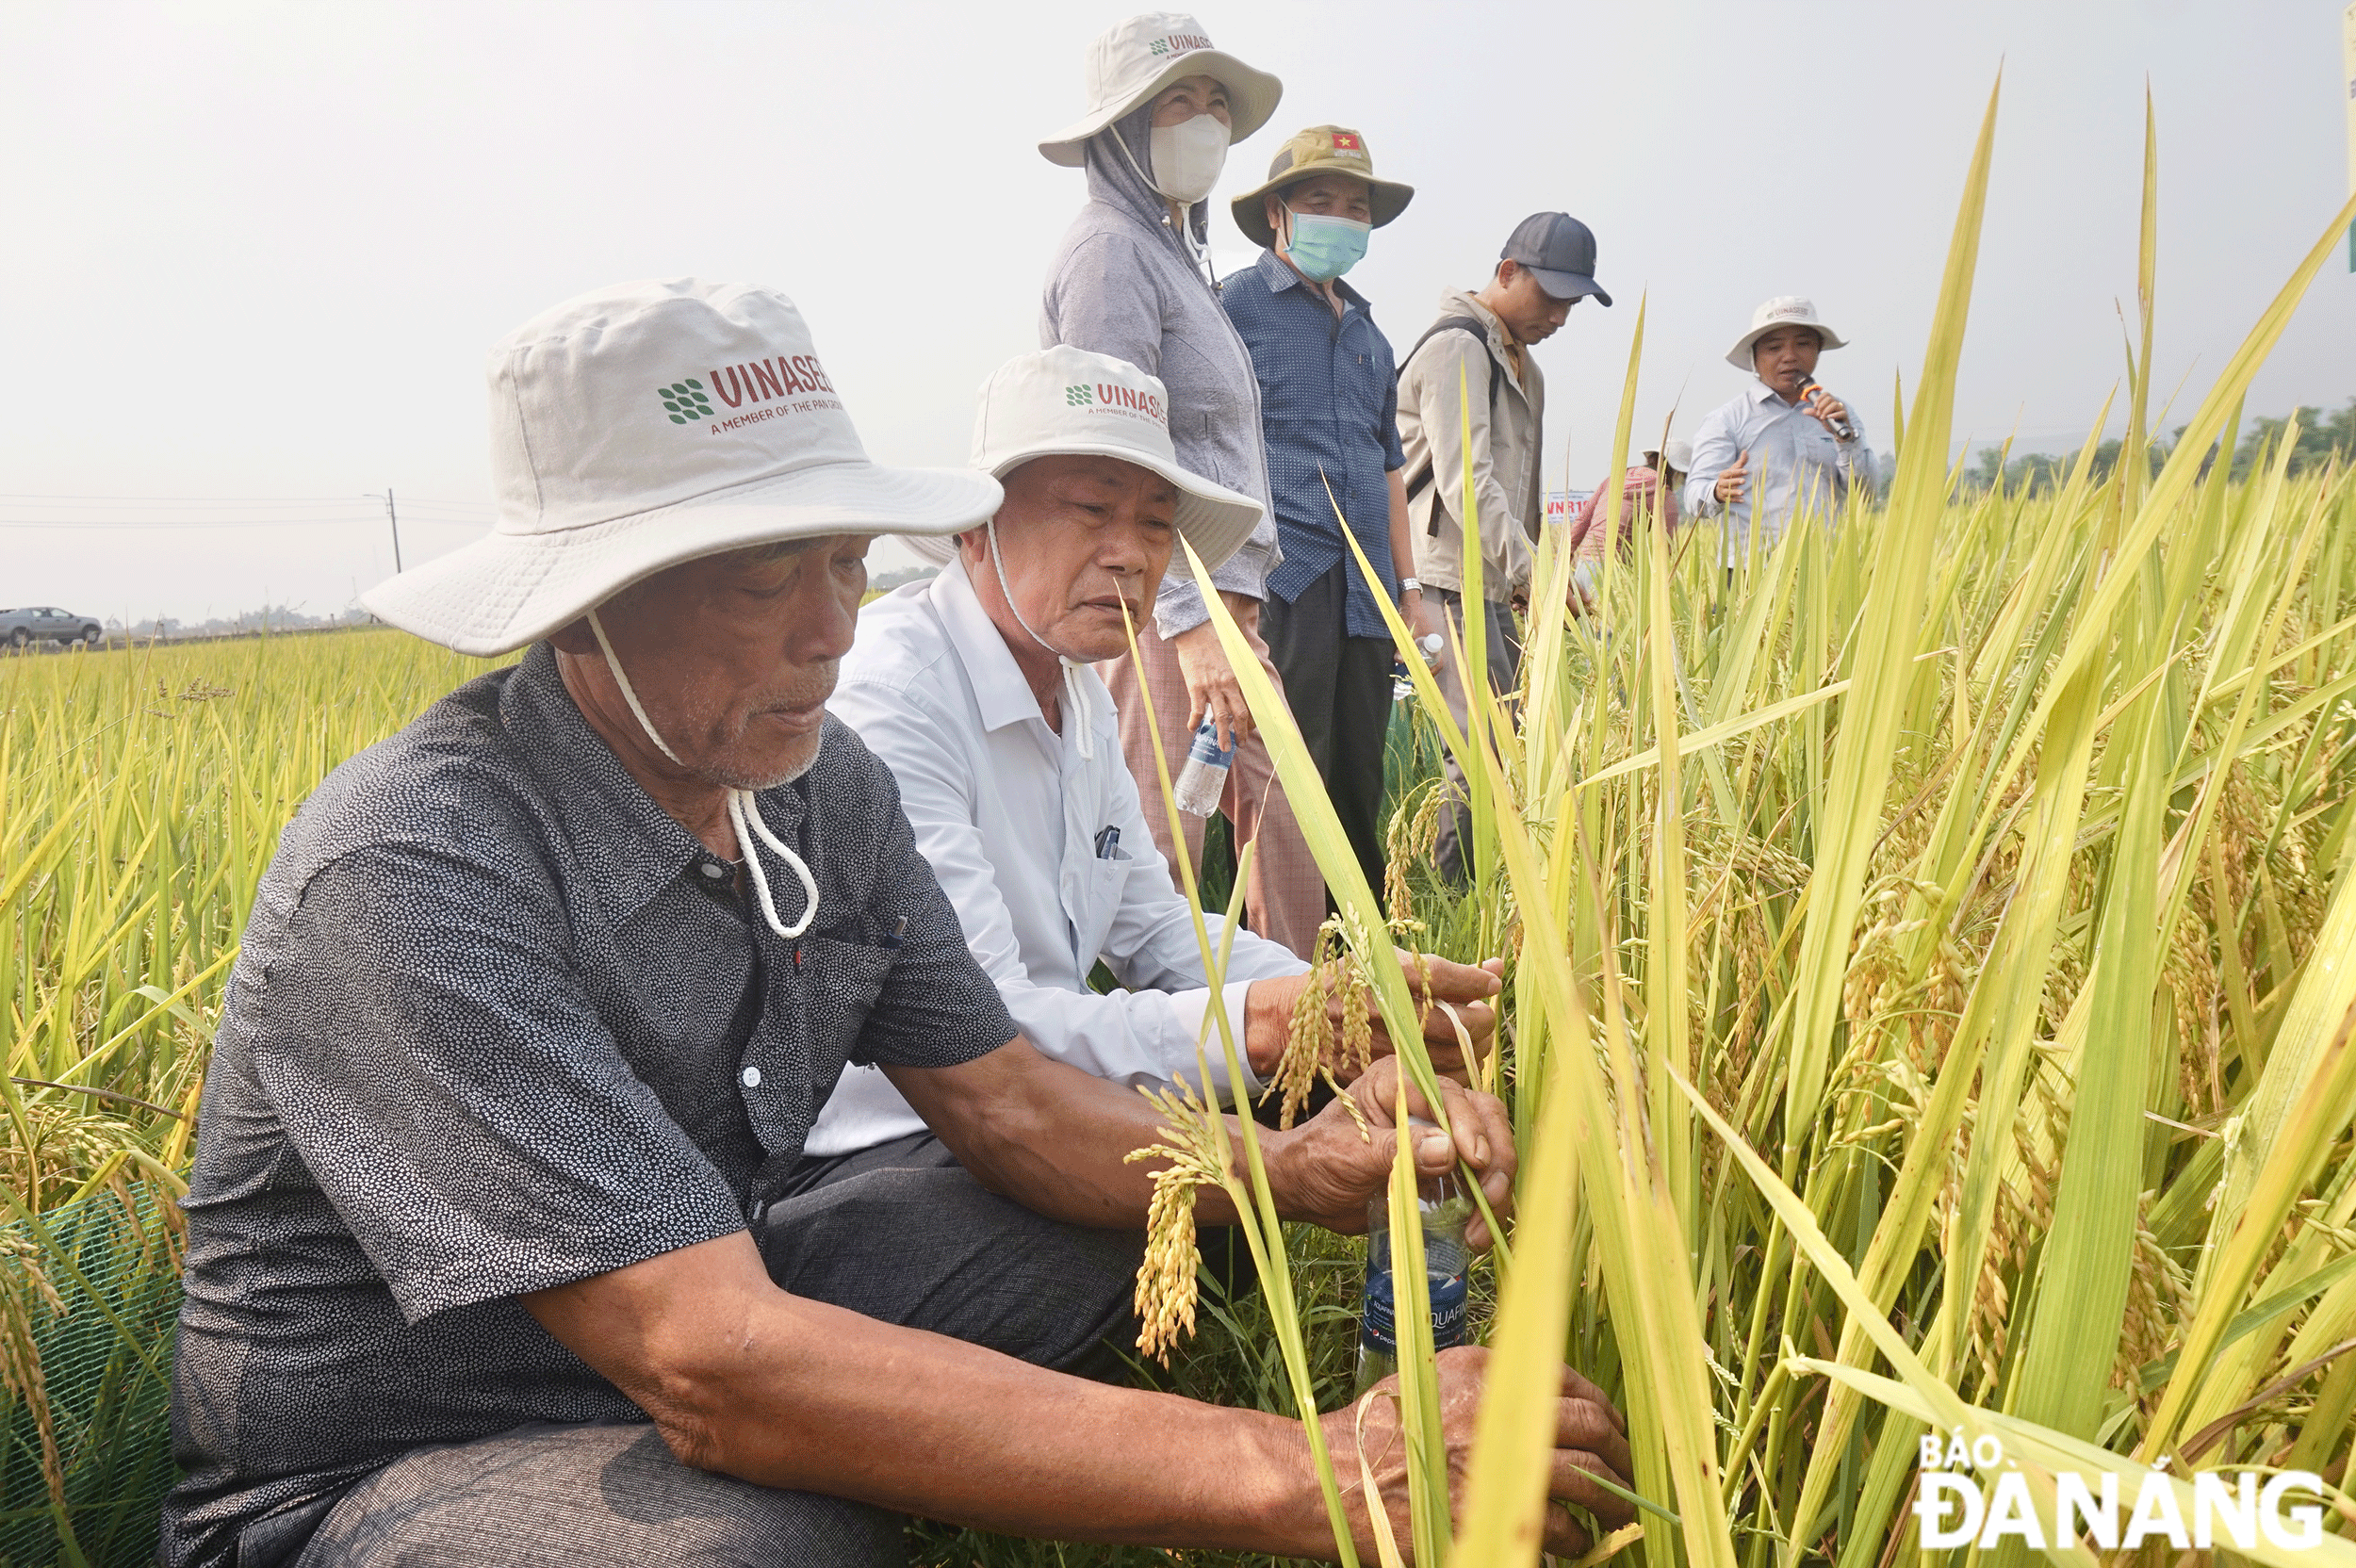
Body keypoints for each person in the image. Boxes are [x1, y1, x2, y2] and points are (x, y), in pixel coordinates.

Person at [158, 279, 1635, 1568]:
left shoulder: (813, 784)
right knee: (772, 1542)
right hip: (407, 1456)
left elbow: (1003, 1099)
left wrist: (1295, 1173)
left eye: (849, 562)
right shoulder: (418, 869)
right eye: (762, 578)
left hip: (718, 1270)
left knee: (1134, 1218)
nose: (832, 628)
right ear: (583, 608)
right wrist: (1300, 1472)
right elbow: (705, 1361)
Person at [813, 345, 1504, 1160]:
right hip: (923, 1128)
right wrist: (1271, 1022)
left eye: (1154, 522)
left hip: (1055, 1080)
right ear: (975, 530)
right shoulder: (894, 701)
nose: (1131, 556)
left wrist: (1327, 999)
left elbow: (1153, 927)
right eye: (1090, 511)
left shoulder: (1079, 692)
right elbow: (988, 1027)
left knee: (1362, 1092)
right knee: (1183, 1211)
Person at [1038, 10, 1324, 958]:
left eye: (1215, 104)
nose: (1204, 123)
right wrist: (1187, 619)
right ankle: (1157, 1063)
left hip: (1222, 601)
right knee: (1161, 836)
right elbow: (1113, 449)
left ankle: (1296, 1027)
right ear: (1121, 125)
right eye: (1177, 102)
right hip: (1164, 601)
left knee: (1279, 816)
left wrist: (1226, 609)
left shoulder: (1175, 254)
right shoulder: (1109, 253)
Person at [1219, 124, 1418, 899]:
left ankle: (1364, 947)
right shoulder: (1233, 308)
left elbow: (1389, 468)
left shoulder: (1369, 332)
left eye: (1356, 205)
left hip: (1370, 595)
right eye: (1320, 200)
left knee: (1360, 769)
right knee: (1285, 773)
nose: (1341, 216)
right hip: (1285, 578)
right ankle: (1283, 966)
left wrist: (1412, 590)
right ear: (1278, 213)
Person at [1396, 211, 1611, 882]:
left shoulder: (1527, 370)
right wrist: (1538, 576)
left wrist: (1531, 580)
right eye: (1550, 298)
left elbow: (1524, 491)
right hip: (1444, 576)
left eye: (1572, 304)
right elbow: (1467, 484)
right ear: (1507, 272)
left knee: (1511, 733)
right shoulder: (1459, 346)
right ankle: (1453, 894)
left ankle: (1490, 879)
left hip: (1494, 580)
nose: (1561, 318)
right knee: (1481, 744)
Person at [1682, 297, 1870, 564]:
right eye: (1774, 347)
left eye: (1803, 344)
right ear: (1755, 358)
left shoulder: (1840, 414)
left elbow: (1866, 491)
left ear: (1817, 351)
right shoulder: (1726, 421)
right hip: (1749, 573)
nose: (1790, 356)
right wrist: (1717, 490)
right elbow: (1693, 496)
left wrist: (1847, 441)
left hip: (1823, 569)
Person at [1563, 437, 1691, 598]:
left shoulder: (1614, 480)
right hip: (1614, 573)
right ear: (1677, 471)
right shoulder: (1663, 494)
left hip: (1584, 566)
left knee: (1583, 622)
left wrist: (1565, 557)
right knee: (1611, 623)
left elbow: (1583, 520)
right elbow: (1665, 548)